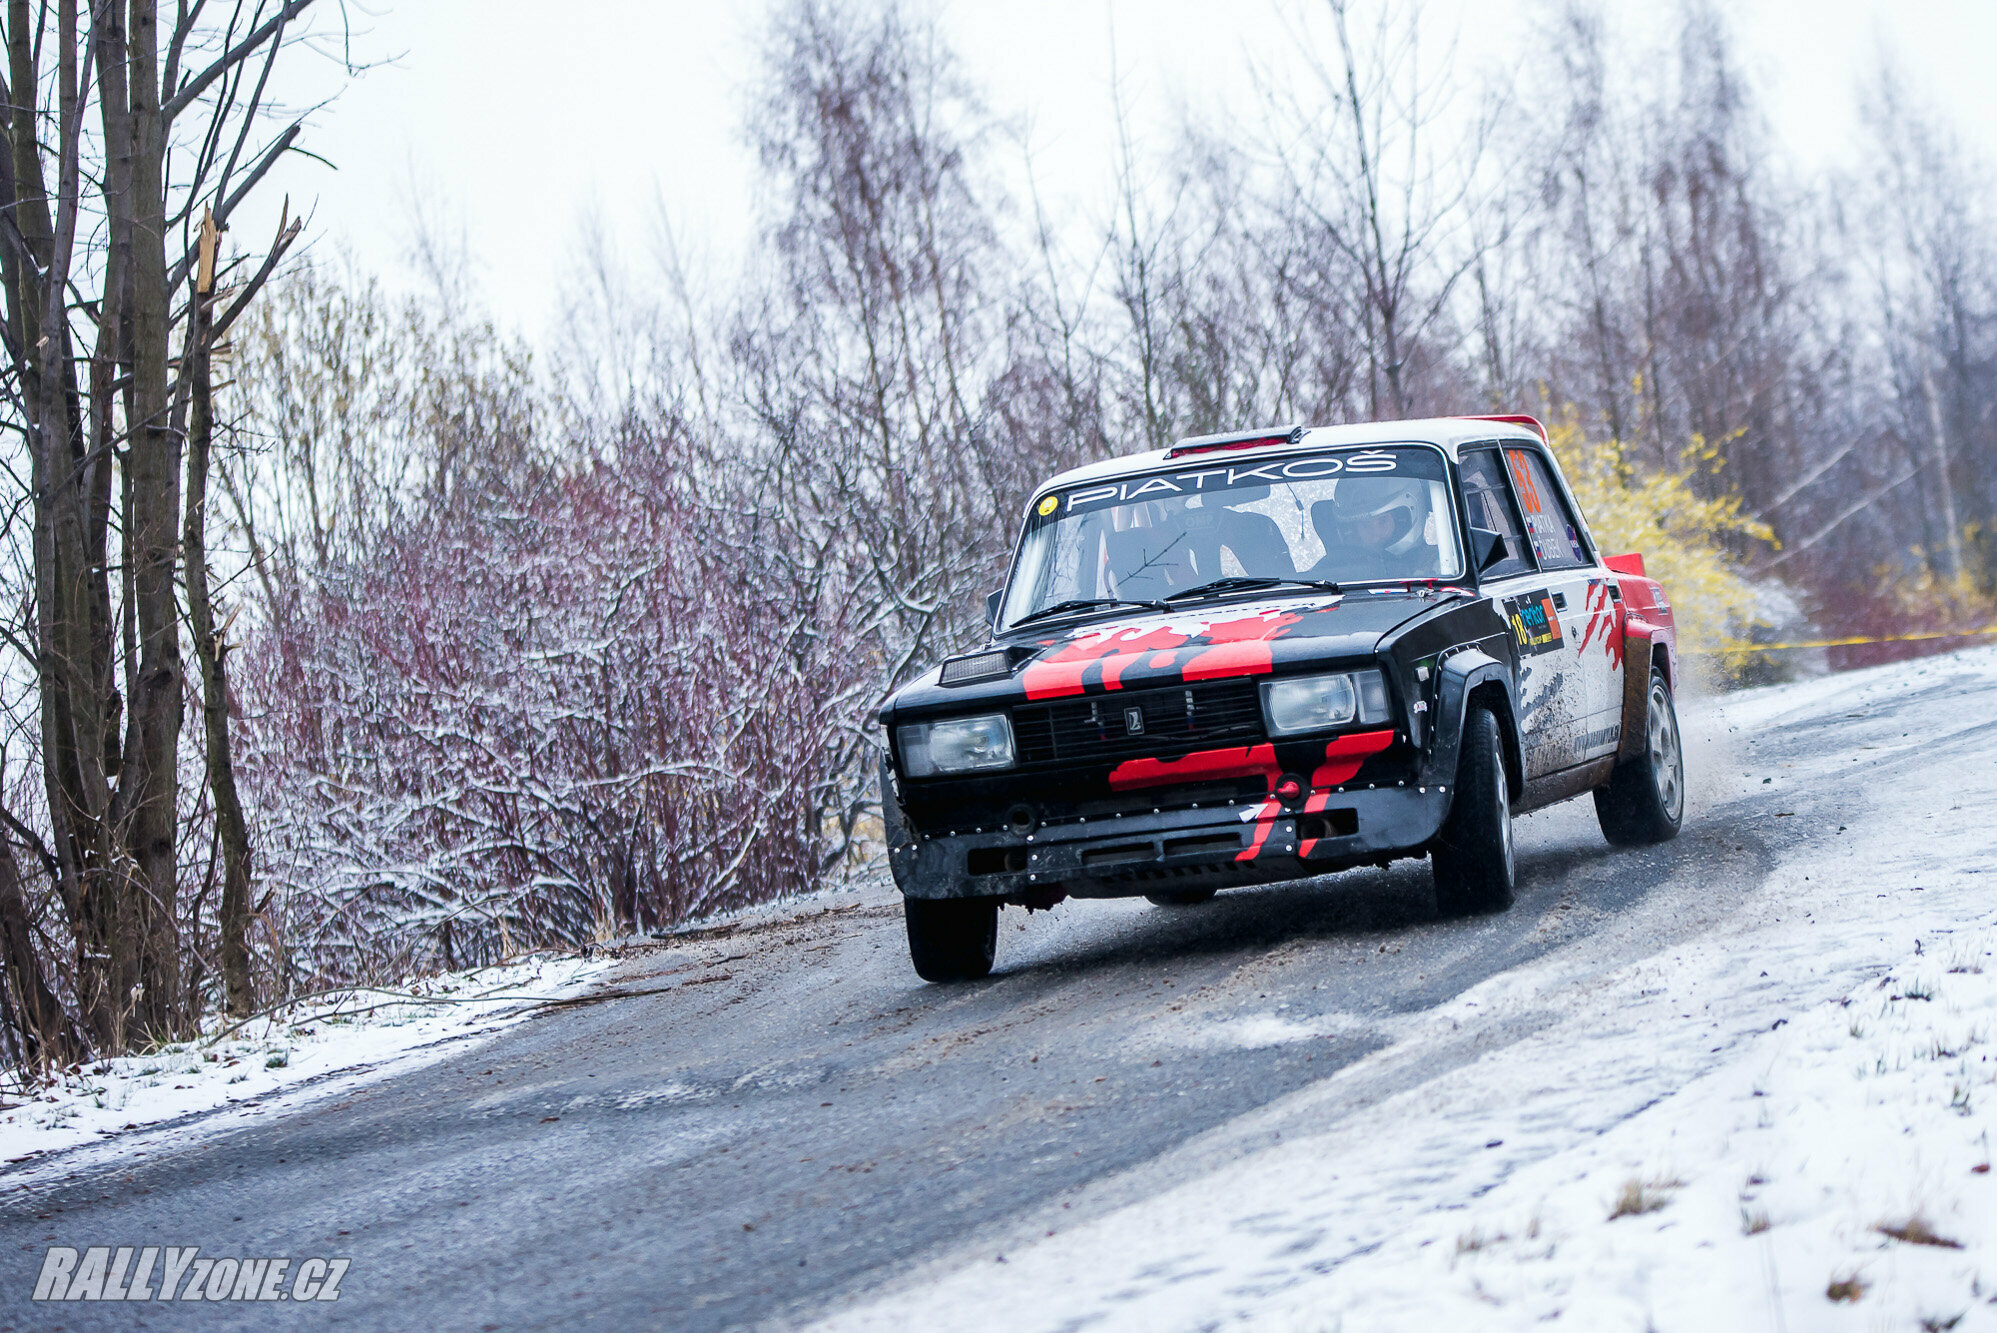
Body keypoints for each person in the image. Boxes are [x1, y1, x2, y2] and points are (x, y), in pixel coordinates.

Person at [1309, 477, 1436, 581]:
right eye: (1364, 525)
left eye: (1382, 522)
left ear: (1405, 517)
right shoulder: (1333, 571)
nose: (1374, 535)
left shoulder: (1443, 567)